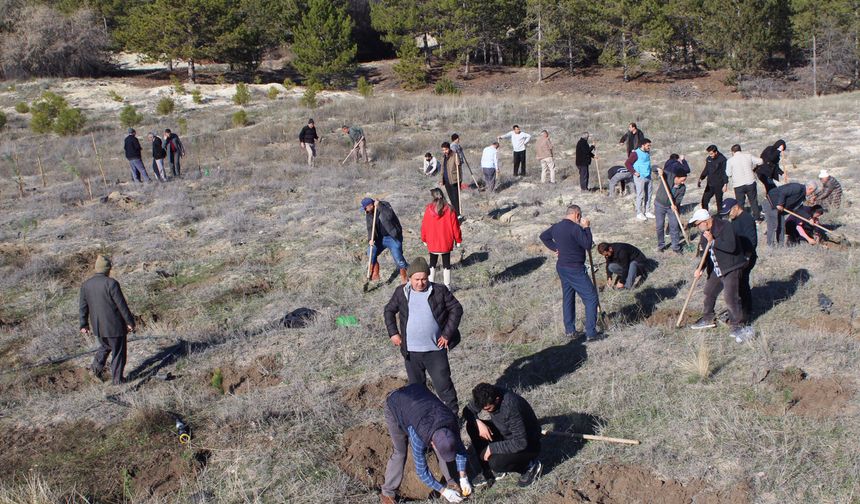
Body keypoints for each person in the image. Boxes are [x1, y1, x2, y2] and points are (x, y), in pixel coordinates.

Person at [383, 257, 463, 413]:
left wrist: (447, 334)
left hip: (435, 350)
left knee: (444, 387)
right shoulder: (401, 292)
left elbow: (456, 309)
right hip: (411, 353)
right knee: (417, 390)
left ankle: (453, 417)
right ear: (409, 278)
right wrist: (393, 333)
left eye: (424, 279)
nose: (420, 283)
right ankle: (424, 418)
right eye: (417, 279)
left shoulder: (439, 291)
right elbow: (389, 311)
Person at [381, 384, 470, 504]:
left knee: (443, 448)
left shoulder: (452, 424)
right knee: (400, 452)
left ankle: (450, 481)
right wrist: (443, 491)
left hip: (419, 397)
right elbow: (421, 471)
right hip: (396, 403)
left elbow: (460, 450)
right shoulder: (418, 437)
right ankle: (387, 493)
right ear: (432, 443)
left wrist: (463, 477)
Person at [688, 209, 752, 342]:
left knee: (731, 297)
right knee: (709, 292)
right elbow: (705, 254)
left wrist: (713, 241)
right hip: (718, 268)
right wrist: (700, 268)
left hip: (732, 267)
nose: (697, 226)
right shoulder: (705, 233)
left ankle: (737, 326)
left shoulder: (725, 226)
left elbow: (731, 247)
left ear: (706, 221)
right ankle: (708, 318)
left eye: (697, 224)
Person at [462, 383, 543, 488]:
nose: (485, 411)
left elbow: (520, 442)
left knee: (496, 463)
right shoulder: (484, 395)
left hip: (527, 444)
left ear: (497, 400)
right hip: (505, 432)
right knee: (472, 426)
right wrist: (477, 422)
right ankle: (488, 471)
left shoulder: (510, 406)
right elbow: (467, 411)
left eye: (488, 409)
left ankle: (529, 466)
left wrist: (492, 448)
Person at [539, 205, 601, 341]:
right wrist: (587, 228)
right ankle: (591, 333)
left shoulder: (556, 227)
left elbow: (543, 236)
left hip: (562, 267)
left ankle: (570, 331)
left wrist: (555, 247)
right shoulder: (575, 228)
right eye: (580, 217)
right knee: (591, 298)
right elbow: (588, 244)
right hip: (575, 269)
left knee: (568, 298)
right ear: (577, 215)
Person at [79, 255, 136, 385]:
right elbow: (122, 306)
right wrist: (130, 322)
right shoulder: (111, 283)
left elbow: (83, 306)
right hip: (114, 326)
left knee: (105, 346)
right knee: (118, 352)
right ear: (107, 269)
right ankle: (117, 380)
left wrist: (84, 324)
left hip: (98, 327)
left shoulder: (86, 285)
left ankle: (95, 370)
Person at [721, 198, 757, 320]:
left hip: (746, 257)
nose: (729, 215)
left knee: (743, 284)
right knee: (739, 284)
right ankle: (740, 309)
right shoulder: (735, 219)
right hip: (739, 257)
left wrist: (747, 257)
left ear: (736, 207)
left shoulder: (747, 219)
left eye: (729, 212)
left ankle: (747, 311)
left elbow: (752, 241)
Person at [421, 189, 463, 289]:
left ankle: (430, 285)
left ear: (433, 197)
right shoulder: (450, 209)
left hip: (432, 242)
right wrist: (458, 240)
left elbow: (424, 226)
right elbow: (455, 227)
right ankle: (447, 286)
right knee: (446, 265)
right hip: (446, 242)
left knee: (432, 264)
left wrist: (424, 239)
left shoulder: (428, 209)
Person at [362, 198, 409, 284]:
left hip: (392, 237)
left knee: (399, 259)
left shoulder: (384, 205)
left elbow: (389, 216)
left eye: (365, 208)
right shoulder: (368, 213)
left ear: (371, 205)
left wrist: (379, 206)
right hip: (379, 239)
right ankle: (375, 274)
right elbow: (370, 228)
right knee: (370, 253)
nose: (365, 210)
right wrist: (370, 239)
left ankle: (405, 275)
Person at [654, 159, 688, 254]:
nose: (683, 182)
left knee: (674, 226)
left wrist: (675, 205)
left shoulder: (682, 188)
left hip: (671, 208)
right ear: (677, 177)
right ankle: (661, 245)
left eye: (684, 180)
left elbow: (679, 199)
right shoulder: (667, 176)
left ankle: (676, 247)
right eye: (682, 180)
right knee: (660, 226)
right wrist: (658, 170)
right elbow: (654, 167)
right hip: (659, 204)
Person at [764, 182, 810, 247]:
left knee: (782, 226)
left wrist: (809, 218)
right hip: (772, 203)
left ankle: (781, 245)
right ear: (810, 189)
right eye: (812, 193)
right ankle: (770, 245)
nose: (811, 194)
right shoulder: (797, 187)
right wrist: (780, 204)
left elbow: (799, 208)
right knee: (773, 225)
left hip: (781, 208)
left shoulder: (802, 195)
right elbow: (783, 192)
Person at [725, 144, 763, 221]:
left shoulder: (730, 161)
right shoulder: (748, 156)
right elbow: (761, 161)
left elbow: (728, 173)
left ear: (732, 152)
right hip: (750, 182)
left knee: (740, 203)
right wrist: (755, 167)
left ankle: (742, 219)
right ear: (740, 150)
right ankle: (757, 218)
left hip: (738, 185)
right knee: (753, 201)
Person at [625, 138, 654, 221]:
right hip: (640, 177)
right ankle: (639, 213)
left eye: (650, 145)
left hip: (648, 176)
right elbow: (627, 163)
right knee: (640, 195)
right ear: (643, 145)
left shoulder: (647, 152)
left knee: (649, 194)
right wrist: (634, 172)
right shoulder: (635, 153)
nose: (649, 147)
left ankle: (647, 211)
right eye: (648, 145)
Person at [698, 145, 728, 212]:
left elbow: (725, 172)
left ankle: (720, 216)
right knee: (704, 200)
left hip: (719, 184)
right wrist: (701, 178)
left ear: (716, 152)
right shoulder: (709, 159)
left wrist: (725, 184)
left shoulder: (722, 159)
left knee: (719, 201)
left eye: (711, 153)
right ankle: (705, 215)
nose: (710, 155)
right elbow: (706, 169)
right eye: (709, 153)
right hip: (710, 184)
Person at [440, 142, 462, 217]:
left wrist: (458, 162)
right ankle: (454, 213)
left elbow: (459, 167)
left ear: (449, 148)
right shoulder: (443, 157)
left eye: (446, 149)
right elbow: (442, 169)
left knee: (456, 198)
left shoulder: (454, 155)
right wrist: (441, 179)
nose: (444, 151)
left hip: (454, 180)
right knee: (451, 198)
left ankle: (458, 214)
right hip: (446, 181)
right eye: (443, 150)